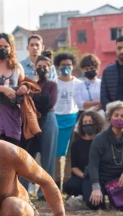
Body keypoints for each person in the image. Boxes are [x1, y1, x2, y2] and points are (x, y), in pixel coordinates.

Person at [21, 55, 58, 201]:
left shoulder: (52, 85)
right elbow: (24, 99)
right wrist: (33, 88)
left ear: (49, 69)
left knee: (48, 157)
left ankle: (46, 193)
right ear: (35, 67)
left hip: (48, 120)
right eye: (39, 65)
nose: (41, 68)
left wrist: (32, 98)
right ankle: (22, 190)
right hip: (30, 121)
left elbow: (49, 103)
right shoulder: (29, 83)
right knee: (26, 156)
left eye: (45, 66)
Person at [0, 33, 28, 146]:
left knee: (13, 152)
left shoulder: (17, 67)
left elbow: (24, 83)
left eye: (6, 47)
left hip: (13, 117)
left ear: (11, 48)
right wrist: (3, 89)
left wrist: (24, 87)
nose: (2, 49)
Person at [53, 52, 80, 190]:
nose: (66, 67)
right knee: (57, 154)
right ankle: (56, 183)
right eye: (63, 65)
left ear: (73, 66)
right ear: (58, 66)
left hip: (73, 120)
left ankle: (68, 184)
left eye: (69, 65)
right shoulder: (53, 82)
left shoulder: (78, 83)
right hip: (56, 120)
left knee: (70, 154)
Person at [63, 110, 104, 200]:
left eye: (90, 122)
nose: (87, 124)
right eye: (85, 122)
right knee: (70, 186)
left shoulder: (102, 141)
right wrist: (84, 176)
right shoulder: (76, 144)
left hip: (98, 176)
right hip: (82, 175)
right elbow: (74, 167)